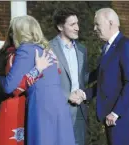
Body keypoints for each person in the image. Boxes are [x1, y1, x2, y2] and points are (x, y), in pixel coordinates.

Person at [0, 15, 76, 145]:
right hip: (59, 107)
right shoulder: (47, 50)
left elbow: (8, 87)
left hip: (42, 107)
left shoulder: (26, 50)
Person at [70, 8, 129, 145]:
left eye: (97, 24)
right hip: (110, 115)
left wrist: (115, 113)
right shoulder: (107, 47)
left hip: (120, 116)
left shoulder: (125, 45)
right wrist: (84, 94)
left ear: (111, 23)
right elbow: (105, 82)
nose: (94, 28)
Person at [0, 18, 50, 145]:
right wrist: (36, 70)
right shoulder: (15, 54)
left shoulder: (25, 52)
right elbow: (13, 87)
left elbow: (8, 85)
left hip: (22, 107)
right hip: (18, 107)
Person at [50, 8, 89, 145]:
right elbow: (45, 83)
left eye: (77, 23)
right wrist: (67, 95)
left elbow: (84, 78)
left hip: (79, 110)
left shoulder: (82, 50)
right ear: (60, 27)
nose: (77, 28)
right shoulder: (48, 48)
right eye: (72, 25)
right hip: (57, 110)